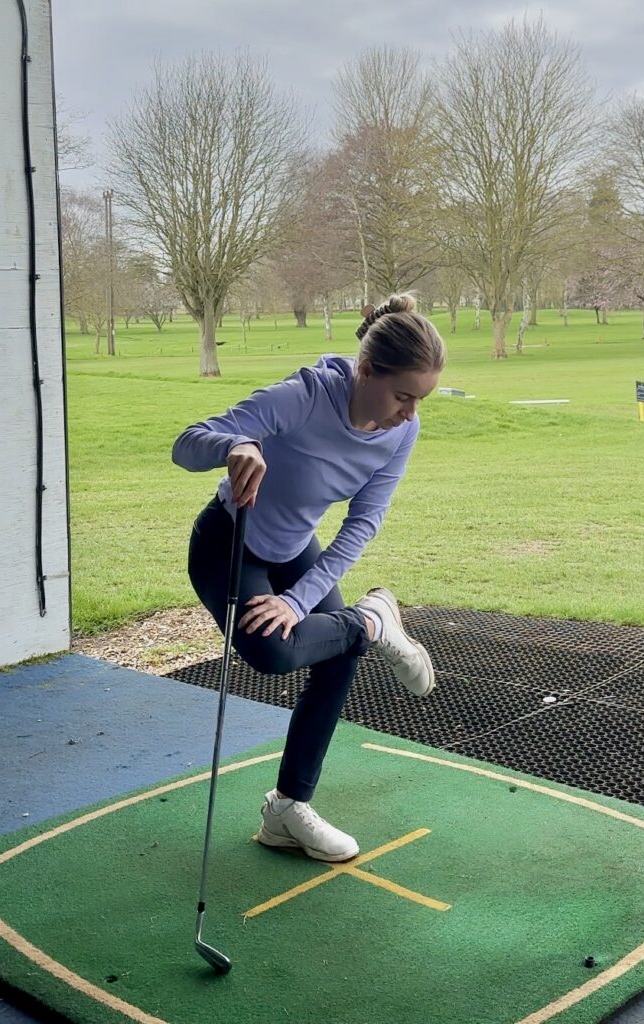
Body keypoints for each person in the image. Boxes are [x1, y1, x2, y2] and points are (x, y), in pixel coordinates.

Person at [172, 293, 445, 864]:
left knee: (338, 653)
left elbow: (364, 520)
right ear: (366, 370)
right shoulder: (303, 396)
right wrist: (236, 443)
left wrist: (298, 602)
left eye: (420, 400)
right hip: (229, 542)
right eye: (403, 396)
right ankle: (372, 621)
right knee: (273, 652)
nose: (409, 413)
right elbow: (187, 444)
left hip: (296, 550)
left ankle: (287, 810)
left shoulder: (402, 431)